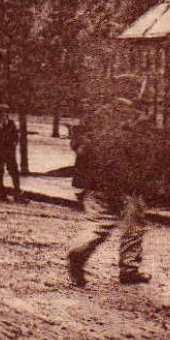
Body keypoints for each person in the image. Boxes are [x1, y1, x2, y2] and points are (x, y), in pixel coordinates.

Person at [67, 76, 155, 287]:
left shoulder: (98, 115)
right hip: (126, 182)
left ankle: (78, 252)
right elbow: (143, 153)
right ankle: (128, 268)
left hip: (96, 180)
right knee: (134, 224)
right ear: (134, 93)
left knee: (99, 223)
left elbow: (78, 143)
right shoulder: (138, 119)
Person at [0, 104, 25, 202]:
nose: (3, 115)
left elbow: (16, 137)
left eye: (5, 113)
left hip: (9, 152)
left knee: (14, 172)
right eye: (0, 113)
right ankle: (2, 194)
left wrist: (13, 144)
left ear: (7, 114)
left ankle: (17, 194)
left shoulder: (11, 124)